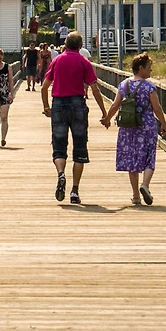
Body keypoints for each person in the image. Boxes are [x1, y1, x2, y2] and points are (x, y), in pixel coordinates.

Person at [42, 31, 108, 204]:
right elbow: (95, 89)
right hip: (78, 104)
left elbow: (44, 87)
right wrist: (104, 113)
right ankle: (75, 191)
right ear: (80, 46)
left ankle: (61, 174)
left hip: (58, 104)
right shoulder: (84, 62)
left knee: (59, 146)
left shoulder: (57, 60)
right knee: (79, 148)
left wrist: (46, 107)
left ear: (65, 44)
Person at [101, 52, 166, 205]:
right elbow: (157, 108)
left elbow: (115, 105)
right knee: (149, 156)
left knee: (132, 158)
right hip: (147, 126)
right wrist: (164, 124)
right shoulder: (149, 86)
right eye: (149, 67)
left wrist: (107, 119)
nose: (151, 70)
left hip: (128, 127)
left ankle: (136, 195)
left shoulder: (124, 85)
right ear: (141, 68)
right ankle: (145, 185)